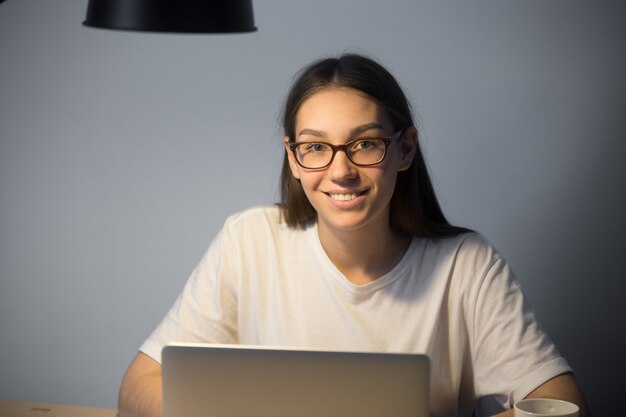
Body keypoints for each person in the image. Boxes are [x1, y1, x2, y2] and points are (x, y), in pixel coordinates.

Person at [118, 54, 590, 417]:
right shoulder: (249, 240)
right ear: (293, 158)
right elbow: (138, 385)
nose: (340, 171)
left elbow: (563, 403)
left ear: (404, 149)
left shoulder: (466, 265)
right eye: (316, 147)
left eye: (365, 143)